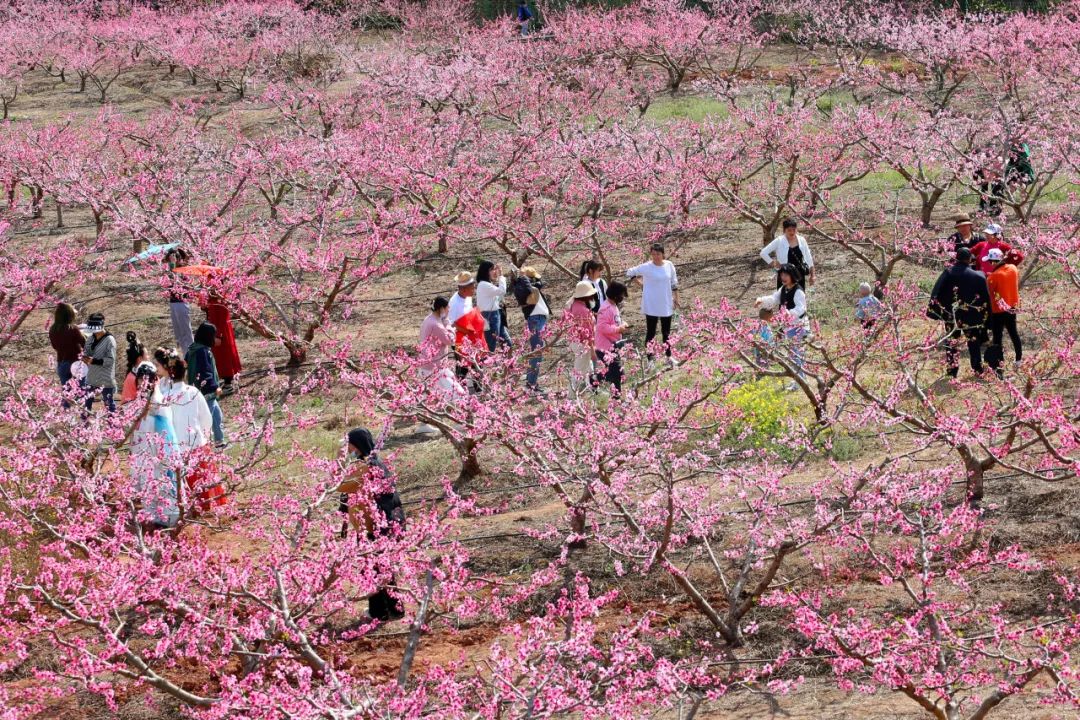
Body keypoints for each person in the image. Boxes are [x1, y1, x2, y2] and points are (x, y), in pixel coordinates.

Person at [336, 427, 406, 622]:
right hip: (379, 526)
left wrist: (338, 458)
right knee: (382, 569)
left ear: (356, 445)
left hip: (372, 529)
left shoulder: (365, 467)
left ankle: (380, 612)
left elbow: (339, 484)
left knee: (374, 570)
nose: (347, 447)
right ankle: (393, 609)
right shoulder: (375, 463)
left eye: (348, 444)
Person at [161, 354, 225, 511]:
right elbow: (206, 418)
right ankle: (207, 506)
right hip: (197, 443)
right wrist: (204, 435)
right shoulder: (193, 391)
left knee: (185, 484)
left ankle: (189, 509)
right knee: (203, 480)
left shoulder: (165, 397)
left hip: (177, 447)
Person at [129, 363, 181, 529]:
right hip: (143, 447)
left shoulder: (159, 401)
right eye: (140, 383)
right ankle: (153, 516)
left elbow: (165, 428)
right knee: (147, 482)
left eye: (145, 382)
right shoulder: (141, 401)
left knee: (162, 481)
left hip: (158, 448)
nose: (142, 386)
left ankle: (170, 517)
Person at [928, 247, 992, 379]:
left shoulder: (948, 272)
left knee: (952, 342)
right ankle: (977, 369)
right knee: (973, 341)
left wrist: (936, 311)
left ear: (956, 258)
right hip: (971, 315)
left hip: (951, 314)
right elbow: (986, 298)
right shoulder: (979, 275)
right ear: (969, 259)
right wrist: (988, 315)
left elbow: (936, 292)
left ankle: (952, 370)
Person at [754, 265, 809, 389]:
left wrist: (788, 314)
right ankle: (799, 380)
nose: (783, 277)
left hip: (799, 326)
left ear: (792, 275)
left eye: (786, 275)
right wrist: (761, 300)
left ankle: (800, 381)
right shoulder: (783, 289)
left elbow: (801, 308)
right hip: (789, 326)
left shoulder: (798, 291)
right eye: (781, 275)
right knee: (793, 354)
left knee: (796, 354)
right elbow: (774, 299)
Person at [626, 243, 679, 365]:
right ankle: (650, 359)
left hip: (666, 302)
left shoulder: (669, 265)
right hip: (651, 304)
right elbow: (630, 272)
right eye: (653, 254)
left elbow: (674, 283)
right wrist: (641, 284)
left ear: (663, 254)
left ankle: (668, 356)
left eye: (658, 254)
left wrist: (676, 299)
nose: (656, 256)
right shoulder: (647, 267)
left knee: (666, 332)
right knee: (651, 331)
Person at [186, 322, 227, 448]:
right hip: (207, 390)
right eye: (214, 335)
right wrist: (215, 387)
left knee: (216, 415)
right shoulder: (203, 351)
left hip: (196, 388)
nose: (215, 338)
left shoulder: (192, 349)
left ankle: (219, 441)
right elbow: (206, 371)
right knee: (206, 419)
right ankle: (201, 445)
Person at [983, 248, 1022, 377]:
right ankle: (1019, 359)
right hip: (1012, 307)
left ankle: (999, 369)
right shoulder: (1013, 269)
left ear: (994, 261)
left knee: (997, 338)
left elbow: (989, 294)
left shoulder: (992, 277)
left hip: (998, 311)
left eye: (990, 261)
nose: (989, 264)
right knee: (1014, 333)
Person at [512, 267, 550, 392]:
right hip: (536, 320)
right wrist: (523, 277)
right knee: (537, 353)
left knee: (537, 352)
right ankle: (531, 383)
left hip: (538, 319)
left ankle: (530, 380)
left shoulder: (531, 287)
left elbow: (539, 283)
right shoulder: (524, 289)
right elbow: (529, 288)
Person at [448, 271, 485, 386]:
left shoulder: (467, 297)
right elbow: (452, 324)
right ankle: (459, 391)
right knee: (463, 365)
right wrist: (468, 332)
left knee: (477, 362)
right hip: (460, 338)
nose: (474, 291)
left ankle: (479, 389)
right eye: (472, 288)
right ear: (463, 289)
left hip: (471, 336)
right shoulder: (454, 303)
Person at [202, 294, 241, 397]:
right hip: (214, 328)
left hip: (220, 330)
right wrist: (205, 307)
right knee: (218, 356)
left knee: (225, 355)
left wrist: (218, 335)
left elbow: (223, 317)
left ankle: (229, 382)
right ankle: (226, 379)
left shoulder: (221, 297)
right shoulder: (211, 297)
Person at [760, 218, 815, 290]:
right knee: (785, 298)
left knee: (799, 298)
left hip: (799, 274)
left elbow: (808, 257)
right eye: (789, 230)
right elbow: (763, 253)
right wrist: (772, 262)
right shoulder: (779, 241)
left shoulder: (802, 240)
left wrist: (813, 275)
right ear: (784, 230)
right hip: (785, 275)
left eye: (794, 230)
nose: (792, 232)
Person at [595, 281, 629, 395]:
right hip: (605, 347)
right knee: (617, 373)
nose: (622, 298)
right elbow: (602, 327)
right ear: (615, 295)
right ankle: (616, 397)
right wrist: (618, 329)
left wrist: (622, 323)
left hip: (613, 345)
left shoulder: (613, 306)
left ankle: (595, 378)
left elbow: (614, 321)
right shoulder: (605, 308)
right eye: (621, 295)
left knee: (617, 372)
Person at [49, 302, 85, 405]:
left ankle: (66, 415)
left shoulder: (53, 329)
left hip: (62, 363)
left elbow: (55, 346)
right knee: (82, 392)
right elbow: (84, 344)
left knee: (67, 393)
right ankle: (84, 417)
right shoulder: (73, 329)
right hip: (76, 363)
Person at [81, 312, 117, 413]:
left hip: (105, 378)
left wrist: (94, 361)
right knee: (86, 404)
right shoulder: (90, 338)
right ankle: (84, 424)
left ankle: (113, 426)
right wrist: (84, 356)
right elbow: (86, 351)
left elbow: (111, 360)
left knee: (109, 404)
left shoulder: (110, 340)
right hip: (91, 377)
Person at [566, 280, 598, 394]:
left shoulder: (573, 305)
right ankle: (572, 395)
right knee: (579, 369)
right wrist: (593, 349)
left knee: (588, 367)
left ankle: (592, 389)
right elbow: (587, 333)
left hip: (575, 341)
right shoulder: (583, 310)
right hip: (582, 343)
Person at [165, 247, 194, 355]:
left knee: (186, 330)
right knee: (178, 332)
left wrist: (173, 265)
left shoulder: (183, 270)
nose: (169, 261)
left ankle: (191, 353)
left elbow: (175, 281)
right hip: (173, 303)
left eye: (172, 259)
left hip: (181, 303)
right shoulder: (173, 269)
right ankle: (185, 354)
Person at [476, 260, 510, 352]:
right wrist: (501, 276)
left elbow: (499, 295)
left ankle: (508, 364)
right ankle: (485, 364)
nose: (495, 272)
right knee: (491, 346)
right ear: (485, 271)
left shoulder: (486, 284)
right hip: (490, 316)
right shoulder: (484, 285)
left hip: (494, 314)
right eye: (492, 269)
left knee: (507, 343)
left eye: (495, 269)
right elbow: (502, 291)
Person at [120, 332, 152, 404]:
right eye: (147, 355)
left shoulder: (147, 373)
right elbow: (126, 403)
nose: (149, 357)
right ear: (140, 358)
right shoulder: (131, 378)